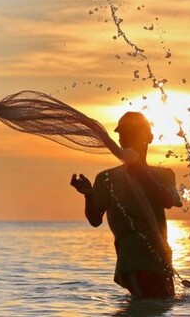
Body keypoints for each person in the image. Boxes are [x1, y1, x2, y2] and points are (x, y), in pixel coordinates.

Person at [70, 112, 182, 299]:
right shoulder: (107, 178)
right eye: (123, 135)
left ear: (150, 138)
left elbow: (168, 201)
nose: (127, 139)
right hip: (133, 262)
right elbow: (95, 220)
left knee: (161, 305)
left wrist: (140, 173)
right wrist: (89, 196)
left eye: (133, 133)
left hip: (162, 261)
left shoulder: (163, 174)